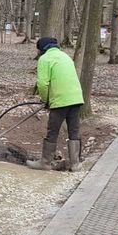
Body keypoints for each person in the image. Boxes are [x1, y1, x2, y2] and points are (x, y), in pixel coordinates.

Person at [27, 37, 85, 171]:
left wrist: (45, 99)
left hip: (60, 100)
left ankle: (45, 162)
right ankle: (74, 164)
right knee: (73, 131)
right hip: (76, 98)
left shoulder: (45, 59)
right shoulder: (65, 56)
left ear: (41, 50)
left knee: (52, 131)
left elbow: (42, 83)